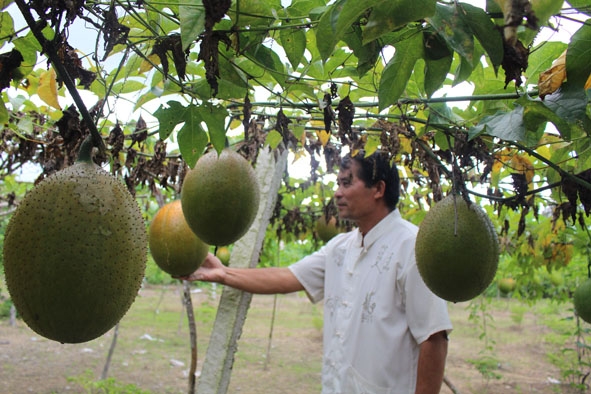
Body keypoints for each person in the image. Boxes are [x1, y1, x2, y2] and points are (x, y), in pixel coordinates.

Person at [181, 151, 452, 394]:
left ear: (378, 189)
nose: (337, 192)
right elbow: (288, 277)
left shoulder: (412, 247)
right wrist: (224, 274)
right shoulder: (341, 248)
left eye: (347, 182)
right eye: (338, 183)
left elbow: (433, 336)